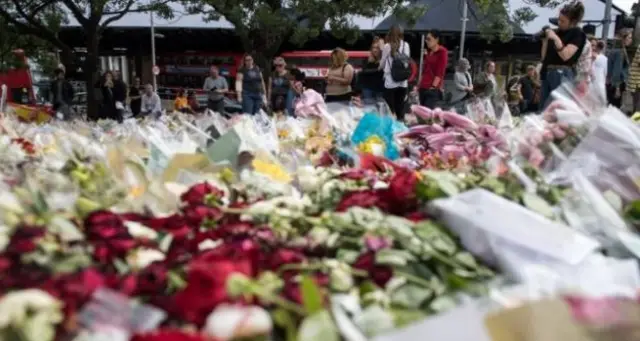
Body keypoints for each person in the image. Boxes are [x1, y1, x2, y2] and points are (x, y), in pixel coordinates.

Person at [540, 1, 586, 107]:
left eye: (563, 21)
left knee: (554, 108)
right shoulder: (557, 32)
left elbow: (565, 55)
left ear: (573, 22)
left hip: (562, 73)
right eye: (559, 20)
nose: (559, 23)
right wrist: (545, 40)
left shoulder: (577, 34)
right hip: (547, 71)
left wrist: (555, 38)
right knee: (543, 108)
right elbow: (544, 57)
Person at [380, 25, 411, 120]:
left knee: (389, 109)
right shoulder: (406, 45)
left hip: (390, 82)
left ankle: (391, 130)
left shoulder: (387, 46)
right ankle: (401, 128)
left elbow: (382, 62)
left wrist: (379, 67)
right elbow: (407, 62)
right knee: (400, 109)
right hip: (403, 81)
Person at [418, 29, 448, 110]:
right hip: (423, 87)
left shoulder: (442, 52)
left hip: (432, 89)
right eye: (426, 39)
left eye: (429, 39)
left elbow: (440, 72)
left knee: (428, 114)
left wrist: (433, 87)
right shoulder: (430, 52)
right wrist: (419, 85)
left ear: (436, 39)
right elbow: (425, 70)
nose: (426, 41)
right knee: (422, 114)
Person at [607, 29, 633, 109]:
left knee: (612, 107)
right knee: (615, 108)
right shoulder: (619, 52)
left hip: (612, 83)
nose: (630, 40)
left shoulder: (614, 50)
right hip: (616, 84)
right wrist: (617, 87)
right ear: (623, 39)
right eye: (629, 38)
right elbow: (617, 70)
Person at [359, 38, 385, 102]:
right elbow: (364, 71)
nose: (375, 50)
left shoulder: (385, 60)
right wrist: (377, 69)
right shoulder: (367, 59)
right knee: (368, 108)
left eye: (377, 48)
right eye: (373, 47)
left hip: (381, 89)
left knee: (381, 109)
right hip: (368, 88)